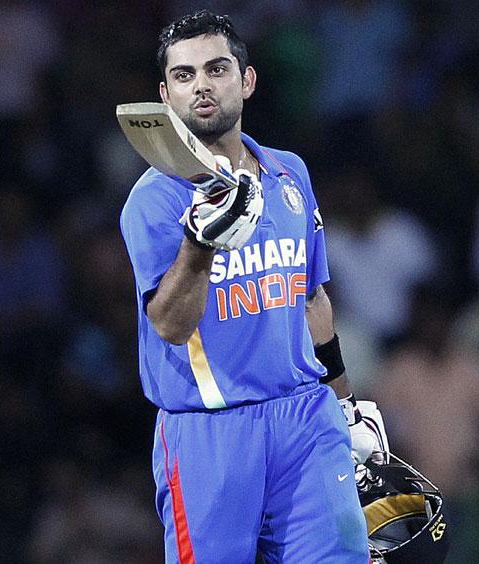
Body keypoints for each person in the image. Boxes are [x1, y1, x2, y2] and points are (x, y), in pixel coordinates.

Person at [120, 10, 386, 563]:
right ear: (165, 94)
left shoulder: (291, 173)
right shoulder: (154, 200)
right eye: (185, 76)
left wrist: (345, 404)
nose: (202, 87)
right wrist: (198, 245)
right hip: (209, 436)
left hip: (306, 418)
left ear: (247, 80)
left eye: (217, 69)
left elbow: (311, 298)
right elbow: (168, 325)